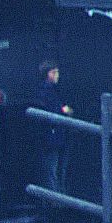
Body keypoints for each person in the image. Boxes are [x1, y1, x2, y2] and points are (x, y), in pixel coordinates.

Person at [33, 59, 73, 195]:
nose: (57, 75)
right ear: (47, 74)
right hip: (51, 137)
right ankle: (54, 201)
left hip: (56, 136)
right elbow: (52, 111)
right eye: (54, 72)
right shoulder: (46, 91)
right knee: (52, 169)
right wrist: (63, 110)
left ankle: (56, 198)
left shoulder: (50, 91)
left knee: (55, 169)